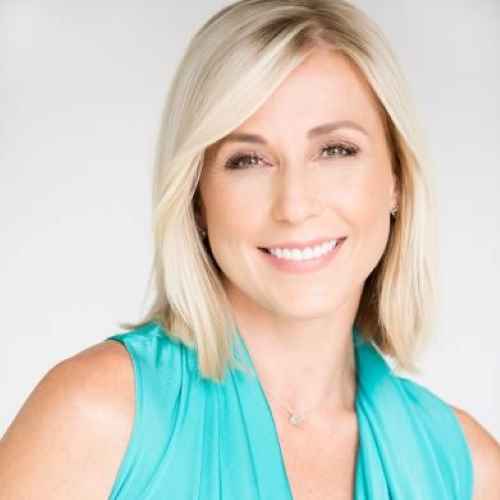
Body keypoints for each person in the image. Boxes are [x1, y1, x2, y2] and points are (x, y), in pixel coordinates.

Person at [1, 0, 499, 498]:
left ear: (397, 179)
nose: (294, 205)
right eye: (248, 160)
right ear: (197, 198)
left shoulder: (466, 470)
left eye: (335, 150)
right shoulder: (95, 417)